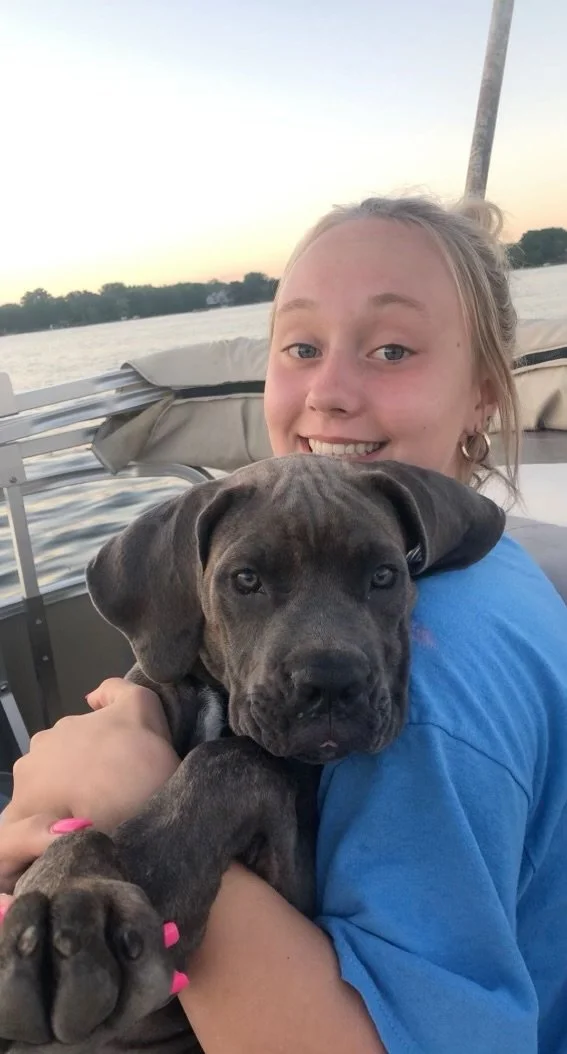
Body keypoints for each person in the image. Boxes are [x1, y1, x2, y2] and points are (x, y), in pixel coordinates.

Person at [1, 195, 567, 1054]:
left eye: (391, 350)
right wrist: (73, 844)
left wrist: (134, 799)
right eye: (300, 348)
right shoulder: (477, 563)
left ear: (487, 393)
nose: (331, 392)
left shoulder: (441, 681)